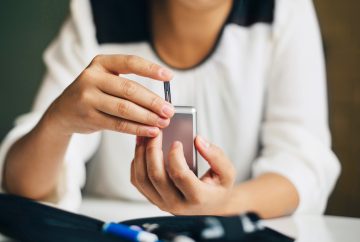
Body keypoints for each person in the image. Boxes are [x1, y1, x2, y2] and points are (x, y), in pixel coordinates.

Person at [0, 0, 340, 218]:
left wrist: (224, 204)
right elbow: (23, 186)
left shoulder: (284, 9)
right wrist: (58, 123)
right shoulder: (96, 13)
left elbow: (303, 165)